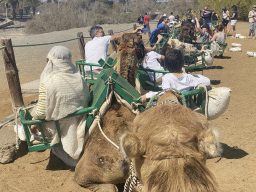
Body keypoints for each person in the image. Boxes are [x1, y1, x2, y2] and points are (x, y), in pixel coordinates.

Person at [31, 46, 90, 166]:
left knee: (25, 125)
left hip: (59, 126)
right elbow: (86, 99)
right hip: (80, 122)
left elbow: (41, 112)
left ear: (51, 61)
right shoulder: (79, 77)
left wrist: (33, 120)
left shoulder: (47, 82)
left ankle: (60, 152)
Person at [139, 47, 210, 102]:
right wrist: (197, 76)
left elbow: (164, 93)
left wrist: (149, 95)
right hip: (186, 105)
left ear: (166, 66)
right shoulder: (188, 77)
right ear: (182, 64)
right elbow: (207, 81)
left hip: (173, 105)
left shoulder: (166, 78)